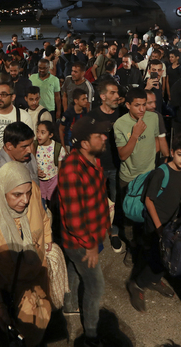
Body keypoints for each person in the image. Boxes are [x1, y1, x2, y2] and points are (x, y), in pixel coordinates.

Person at [0, 161, 52, 347]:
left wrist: (47, 239)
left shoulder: (31, 189)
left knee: (42, 325)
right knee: (26, 335)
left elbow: (42, 216)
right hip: (16, 293)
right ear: (2, 191)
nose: (25, 200)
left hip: (40, 278)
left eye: (27, 193)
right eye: (16, 195)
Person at [58, 117, 111, 347]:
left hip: (92, 233)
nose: (105, 137)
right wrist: (90, 245)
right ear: (85, 143)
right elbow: (73, 218)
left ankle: (69, 306)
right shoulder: (72, 169)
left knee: (74, 270)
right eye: (99, 135)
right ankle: (91, 336)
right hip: (81, 241)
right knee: (96, 285)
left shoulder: (93, 159)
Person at [128, 133, 181, 312]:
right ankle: (138, 285)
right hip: (155, 224)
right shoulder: (161, 172)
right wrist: (158, 227)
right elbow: (149, 200)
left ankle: (154, 280)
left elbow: (176, 186)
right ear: (172, 152)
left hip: (169, 223)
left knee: (162, 255)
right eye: (180, 154)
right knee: (157, 256)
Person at [85, 78, 124, 253]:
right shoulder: (92, 116)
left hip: (118, 167)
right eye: (112, 93)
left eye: (117, 93)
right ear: (102, 96)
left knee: (116, 201)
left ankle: (114, 232)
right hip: (98, 168)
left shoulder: (123, 113)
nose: (117, 96)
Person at [0, 122, 39, 209]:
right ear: (9, 146)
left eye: (31, 144)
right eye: (24, 146)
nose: (30, 150)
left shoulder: (30, 158)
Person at [34, 120, 65, 210]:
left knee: (53, 205)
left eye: (43, 132)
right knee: (41, 205)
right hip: (40, 182)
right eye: (37, 131)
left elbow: (60, 168)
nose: (39, 135)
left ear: (50, 135)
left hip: (53, 181)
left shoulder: (58, 148)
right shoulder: (35, 146)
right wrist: (36, 171)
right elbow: (31, 163)